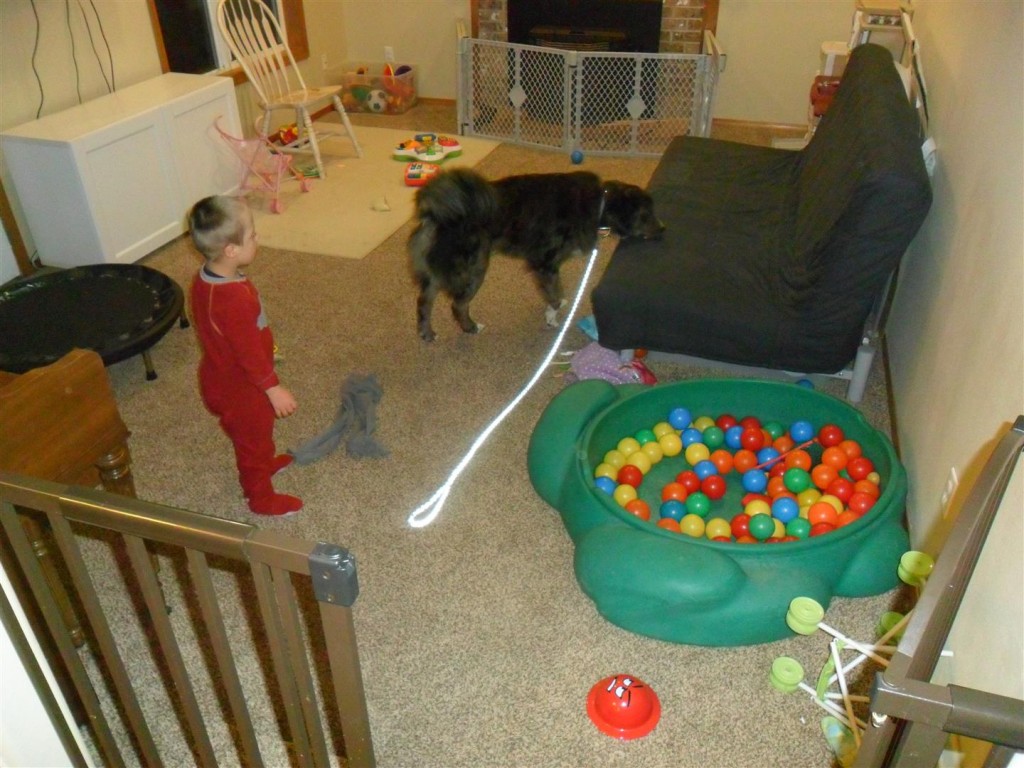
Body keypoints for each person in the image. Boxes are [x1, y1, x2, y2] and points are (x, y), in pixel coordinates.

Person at [187, 195, 302, 516]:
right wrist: (273, 387)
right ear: (231, 250)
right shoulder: (233, 299)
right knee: (253, 442)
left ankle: (264, 465)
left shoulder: (208, 278)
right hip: (241, 387)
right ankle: (260, 497)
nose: (257, 239)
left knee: (257, 438)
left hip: (224, 373)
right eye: (252, 235)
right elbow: (248, 352)